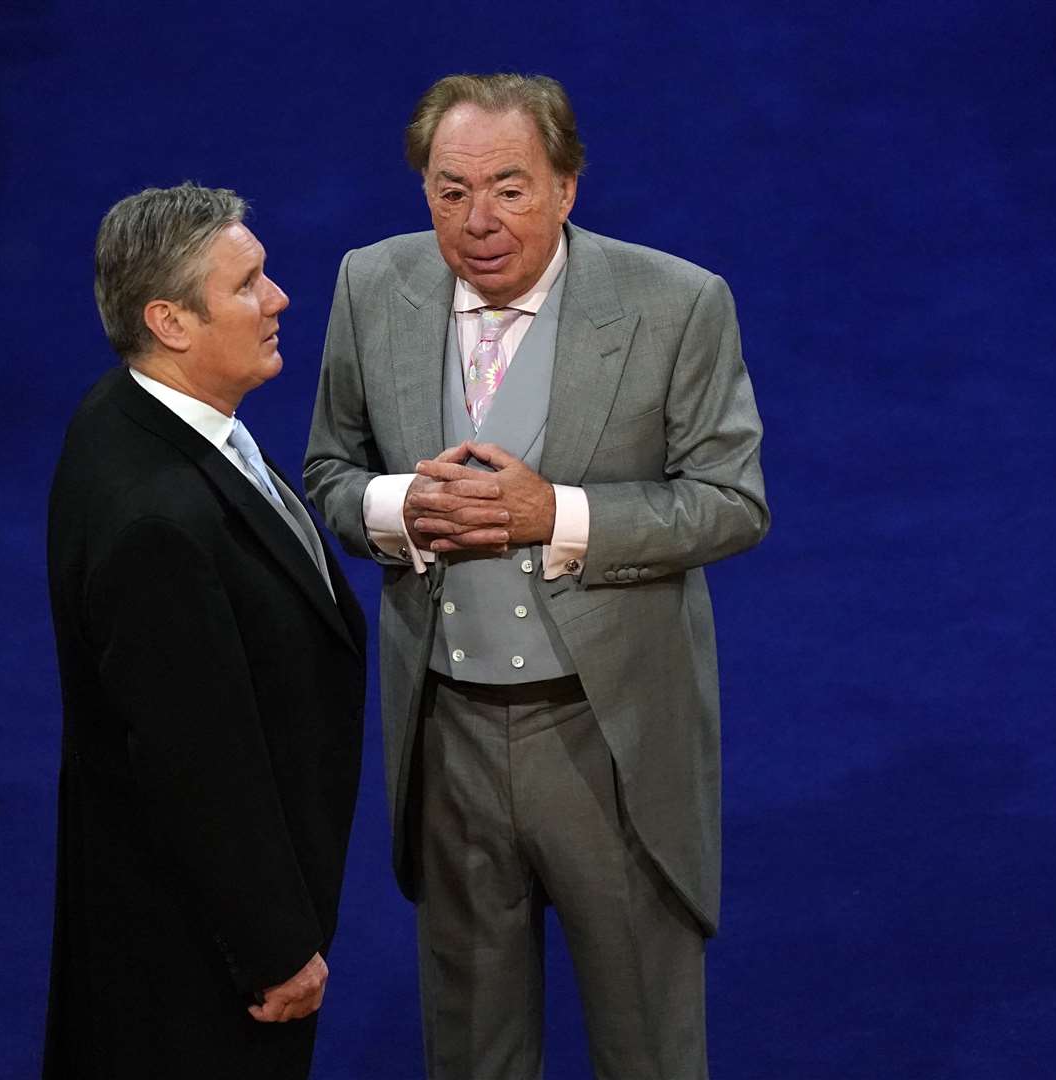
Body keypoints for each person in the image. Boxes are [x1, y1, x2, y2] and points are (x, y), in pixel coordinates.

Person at [304, 74, 769, 1080]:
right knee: (472, 1050)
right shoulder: (371, 285)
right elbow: (329, 473)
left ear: (566, 186)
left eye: (510, 188)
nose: (478, 221)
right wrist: (396, 510)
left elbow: (734, 504)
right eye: (450, 189)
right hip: (449, 738)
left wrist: (554, 513)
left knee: (646, 1045)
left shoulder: (675, 302)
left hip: (610, 740)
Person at [44, 183, 366, 1079]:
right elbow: (196, 755)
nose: (279, 299)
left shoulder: (130, 413)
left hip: (169, 920)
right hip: (201, 956)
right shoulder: (157, 519)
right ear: (171, 322)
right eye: (249, 284)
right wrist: (274, 945)